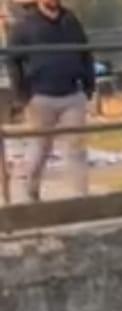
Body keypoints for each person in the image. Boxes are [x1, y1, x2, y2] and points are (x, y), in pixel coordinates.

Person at [7, 0, 94, 203]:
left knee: (76, 148)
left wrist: (89, 85)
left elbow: (86, 52)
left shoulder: (71, 21)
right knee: (40, 147)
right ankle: (30, 192)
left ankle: (82, 198)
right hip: (41, 97)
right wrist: (22, 95)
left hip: (72, 94)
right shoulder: (24, 25)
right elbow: (12, 60)